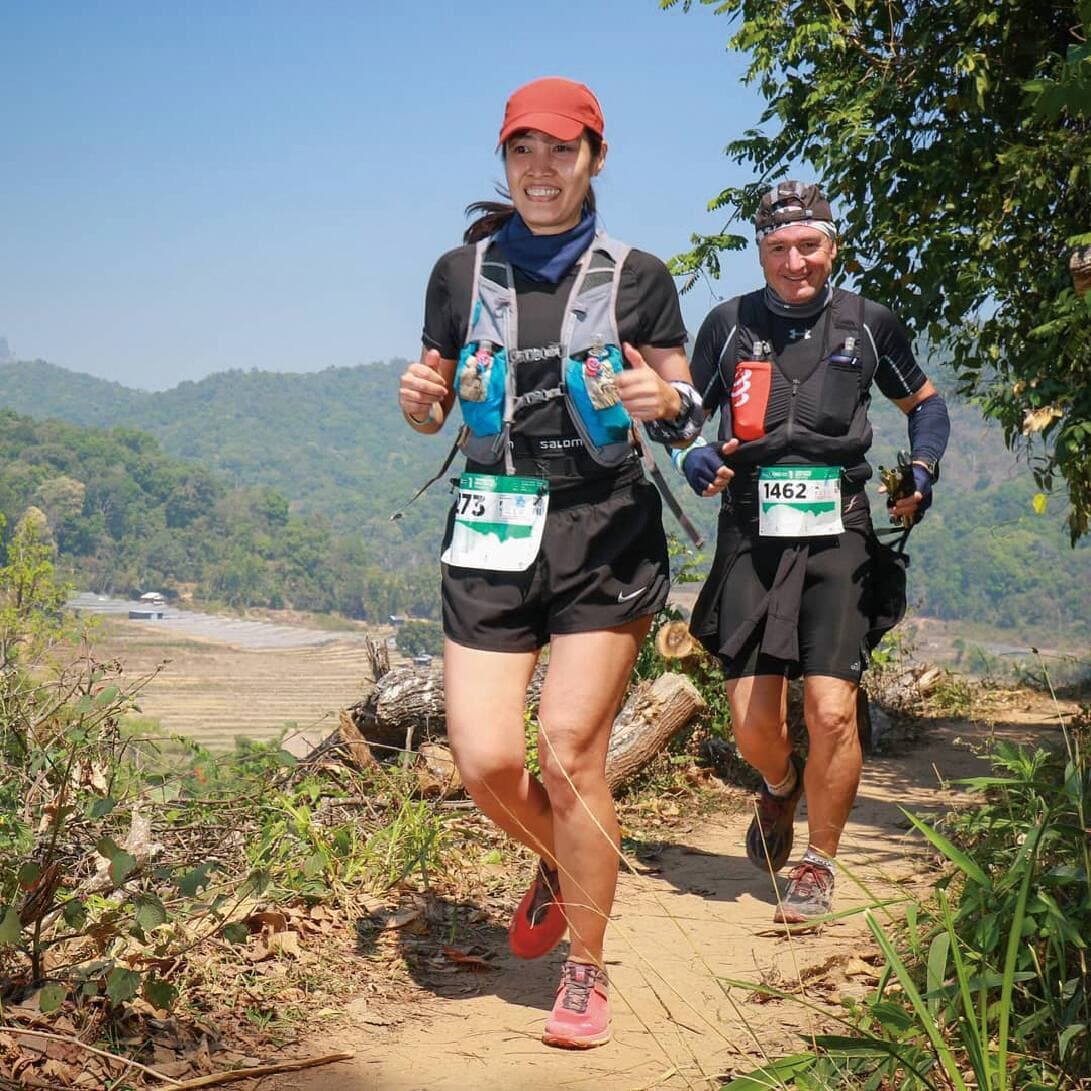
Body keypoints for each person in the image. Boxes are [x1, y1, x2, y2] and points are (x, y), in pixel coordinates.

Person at [397, 77, 702, 1047]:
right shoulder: (457, 274)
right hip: (491, 523)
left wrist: (662, 401)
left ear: (594, 160)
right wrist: (418, 400)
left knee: (569, 749)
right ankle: (564, 859)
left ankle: (585, 966)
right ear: (504, 159)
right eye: (522, 150)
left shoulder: (638, 275)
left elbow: (692, 409)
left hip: (602, 528)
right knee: (485, 758)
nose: (540, 168)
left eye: (560, 151)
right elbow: (435, 397)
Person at [678, 180, 950, 926]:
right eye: (777, 248)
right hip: (751, 527)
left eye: (808, 246)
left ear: (831, 247)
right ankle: (777, 784)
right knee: (750, 719)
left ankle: (816, 862)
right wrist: (689, 456)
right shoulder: (727, 325)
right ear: (760, 251)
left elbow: (923, 402)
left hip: (838, 526)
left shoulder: (867, 325)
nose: (794, 261)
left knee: (831, 709)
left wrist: (921, 470)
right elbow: (685, 412)